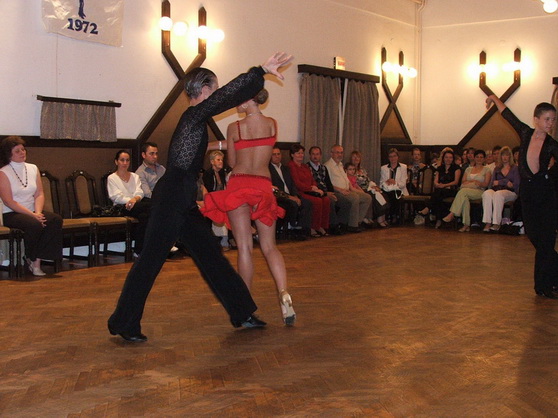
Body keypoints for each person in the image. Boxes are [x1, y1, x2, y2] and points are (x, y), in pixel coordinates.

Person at [108, 52, 292, 342]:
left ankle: (242, 311)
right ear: (204, 90)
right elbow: (229, 95)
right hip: (172, 195)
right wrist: (259, 71)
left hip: (182, 195)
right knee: (151, 259)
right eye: (214, 89)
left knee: (211, 256)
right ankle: (124, 322)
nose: (218, 94)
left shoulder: (195, 119)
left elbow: (225, 100)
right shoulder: (193, 115)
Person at [203, 86, 296, 326]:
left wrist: (218, 146)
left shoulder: (235, 127)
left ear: (248, 100)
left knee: (244, 247)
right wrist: (216, 145)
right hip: (263, 184)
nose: (236, 104)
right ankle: (284, 292)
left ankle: (244, 306)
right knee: (270, 246)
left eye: (238, 100)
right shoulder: (272, 124)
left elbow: (233, 161)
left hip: (240, 184)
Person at [486, 94, 558, 298]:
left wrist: (549, 173)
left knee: (546, 241)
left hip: (545, 193)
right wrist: (494, 98)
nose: (550, 123)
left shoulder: (552, 144)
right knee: (535, 238)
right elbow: (508, 115)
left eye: (553, 119)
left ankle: (543, 287)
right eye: (547, 119)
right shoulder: (526, 133)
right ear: (536, 119)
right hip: (527, 193)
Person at [0, 136, 63, 276]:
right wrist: (33, 215)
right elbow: (9, 201)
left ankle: (37, 261)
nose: (22, 152)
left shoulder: (33, 168)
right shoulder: (3, 173)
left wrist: (38, 213)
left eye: (23, 149)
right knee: (34, 224)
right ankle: (30, 257)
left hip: (33, 211)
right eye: (17, 151)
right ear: (8, 154)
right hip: (11, 213)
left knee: (55, 219)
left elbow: (39, 193)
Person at [107, 150, 151, 256]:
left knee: (145, 216)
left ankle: (139, 250)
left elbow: (139, 192)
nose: (125, 163)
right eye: (122, 160)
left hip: (136, 205)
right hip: (121, 207)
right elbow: (116, 196)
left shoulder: (135, 176)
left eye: (127, 160)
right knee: (151, 206)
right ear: (116, 162)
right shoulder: (112, 178)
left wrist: (134, 200)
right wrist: (130, 201)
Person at [325, 144, 372, 232]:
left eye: (341, 153)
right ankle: (352, 226)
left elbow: (347, 180)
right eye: (337, 152)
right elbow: (328, 184)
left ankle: (357, 221)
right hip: (337, 191)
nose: (340, 155)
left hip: (347, 190)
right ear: (331, 153)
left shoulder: (340, 165)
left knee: (367, 197)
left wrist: (355, 189)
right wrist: (340, 190)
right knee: (355, 198)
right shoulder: (328, 166)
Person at [442, 149, 491, 232]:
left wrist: (474, 182)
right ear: (474, 158)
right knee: (464, 198)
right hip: (467, 191)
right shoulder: (468, 169)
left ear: (484, 159)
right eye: (477, 157)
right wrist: (474, 182)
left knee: (463, 192)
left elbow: (485, 184)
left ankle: (452, 213)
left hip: (480, 192)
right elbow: (463, 182)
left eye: (481, 157)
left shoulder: (487, 170)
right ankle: (466, 224)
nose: (479, 159)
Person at [269, 146, 311, 239]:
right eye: (274, 154)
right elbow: (274, 190)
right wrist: (291, 197)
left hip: (291, 195)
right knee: (293, 204)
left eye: (278, 154)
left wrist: (295, 195)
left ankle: (302, 229)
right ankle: (292, 227)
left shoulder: (286, 168)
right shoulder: (268, 170)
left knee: (307, 203)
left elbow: (292, 184)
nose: (277, 156)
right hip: (279, 197)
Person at [288, 144, 330, 237]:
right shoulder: (291, 166)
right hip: (300, 192)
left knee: (326, 199)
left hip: (310, 190)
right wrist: (311, 188)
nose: (301, 155)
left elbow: (312, 179)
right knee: (317, 201)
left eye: (302, 153)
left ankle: (321, 226)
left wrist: (315, 187)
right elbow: (297, 183)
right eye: (298, 153)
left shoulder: (305, 166)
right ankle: (312, 227)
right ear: (292, 155)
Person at [307, 146, 351, 234]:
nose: (315, 156)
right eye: (313, 154)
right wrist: (326, 193)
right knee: (331, 201)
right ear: (310, 156)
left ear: (320, 156)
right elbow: (312, 184)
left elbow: (328, 182)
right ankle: (333, 226)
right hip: (317, 193)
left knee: (346, 202)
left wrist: (332, 192)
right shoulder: (307, 167)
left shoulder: (323, 167)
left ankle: (342, 224)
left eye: (317, 154)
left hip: (328, 191)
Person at [481, 146, 520, 232]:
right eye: (503, 155)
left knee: (498, 194)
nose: (505, 157)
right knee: (487, 193)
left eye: (507, 155)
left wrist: (501, 182)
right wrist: (505, 182)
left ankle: (496, 223)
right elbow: (493, 183)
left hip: (511, 192)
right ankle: (488, 222)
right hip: (497, 190)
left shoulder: (515, 168)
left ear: (510, 156)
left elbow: (516, 185)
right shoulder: (497, 169)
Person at [349, 150, 389, 227]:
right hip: (359, 189)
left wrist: (374, 186)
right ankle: (376, 219)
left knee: (382, 194)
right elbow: (353, 183)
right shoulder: (350, 169)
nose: (356, 159)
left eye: (358, 157)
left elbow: (368, 180)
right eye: (354, 157)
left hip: (368, 187)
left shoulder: (362, 169)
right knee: (373, 196)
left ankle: (382, 218)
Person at [202, 150, 231, 250]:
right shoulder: (208, 174)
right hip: (212, 199)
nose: (221, 162)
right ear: (212, 162)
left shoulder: (223, 173)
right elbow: (208, 190)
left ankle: (225, 240)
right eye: (218, 160)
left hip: (221, 200)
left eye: (222, 160)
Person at [428, 149, 461, 228]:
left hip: (452, 189)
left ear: (453, 159)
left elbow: (456, 182)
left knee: (438, 193)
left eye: (450, 157)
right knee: (439, 196)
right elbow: (435, 181)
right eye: (446, 157)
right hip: (441, 190)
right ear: (443, 158)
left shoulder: (456, 168)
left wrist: (444, 185)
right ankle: (439, 219)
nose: (448, 159)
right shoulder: (440, 168)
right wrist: (437, 184)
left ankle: (429, 208)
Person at [380, 148, 408, 224]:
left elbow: (403, 184)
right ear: (388, 158)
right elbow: (381, 183)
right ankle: (390, 215)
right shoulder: (384, 168)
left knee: (394, 194)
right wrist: (387, 182)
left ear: (398, 157)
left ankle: (393, 215)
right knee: (386, 195)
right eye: (391, 156)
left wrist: (395, 182)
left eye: (394, 156)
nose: (393, 158)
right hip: (388, 189)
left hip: (399, 190)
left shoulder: (403, 167)